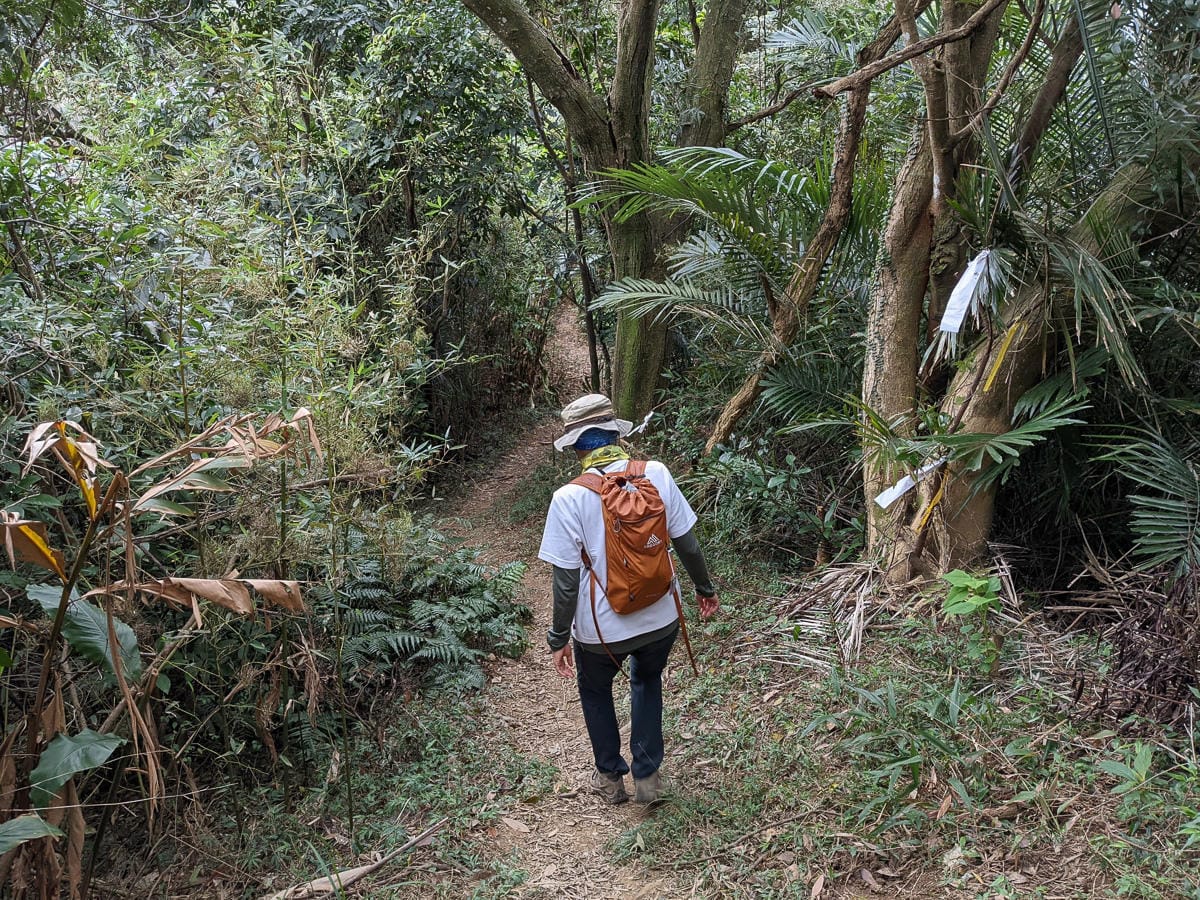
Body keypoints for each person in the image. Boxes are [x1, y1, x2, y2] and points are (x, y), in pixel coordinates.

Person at [538, 393, 719, 805]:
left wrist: (558, 638)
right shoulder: (654, 472)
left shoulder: (568, 497)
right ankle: (648, 779)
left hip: (602, 631)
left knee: (596, 690)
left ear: (577, 445)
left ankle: (611, 779)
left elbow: (566, 583)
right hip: (661, 618)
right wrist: (704, 590)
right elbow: (687, 545)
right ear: (613, 433)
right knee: (647, 679)